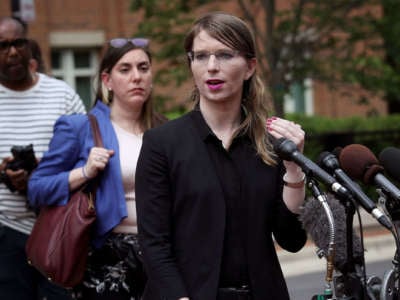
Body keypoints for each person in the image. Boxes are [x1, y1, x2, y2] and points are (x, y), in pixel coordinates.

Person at [135, 11, 308, 300]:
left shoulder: (271, 142)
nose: (211, 67)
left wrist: (294, 171)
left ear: (250, 67)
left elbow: (291, 240)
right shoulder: (162, 143)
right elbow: (154, 243)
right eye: (200, 56)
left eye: (225, 55)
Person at [28, 37, 167, 300]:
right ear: (107, 80)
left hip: (159, 255)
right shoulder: (80, 127)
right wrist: (85, 172)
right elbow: (37, 188)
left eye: (143, 68)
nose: (136, 77)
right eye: (125, 70)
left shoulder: (165, 130)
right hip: (105, 259)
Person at [0, 16, 86, 300]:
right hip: (5, 230)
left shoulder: (61, 94)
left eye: (18, 43)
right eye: (2, 46)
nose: (12, 52)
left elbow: (89, 153)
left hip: (57, 228)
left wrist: (45, 171)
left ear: (29, 45)